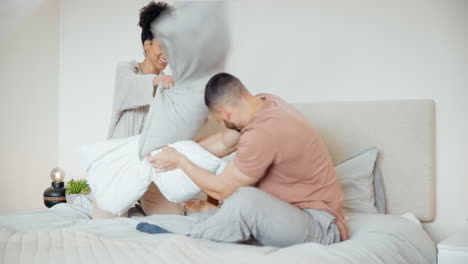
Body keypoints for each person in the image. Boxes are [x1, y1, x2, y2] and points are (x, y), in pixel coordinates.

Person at [147, 73, 349, 247]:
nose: (223, 125)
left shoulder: (263, 132)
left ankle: (191, 239)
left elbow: (222, 189)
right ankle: (218, 218)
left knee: (244, 200)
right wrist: (180, 150)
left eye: (220, 121)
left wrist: (180, 160)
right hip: (293, 214)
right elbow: (224, 141)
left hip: (322, 228)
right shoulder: (266, 103)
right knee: (236, 200)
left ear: (224, 113)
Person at [93, 1, 184, 219]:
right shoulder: (126, 70)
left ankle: (143, 202)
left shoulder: (169, 85)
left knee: (175, 218)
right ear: (147, 44)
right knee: (106, 223)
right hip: (118, 169)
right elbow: (132, 86)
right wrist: (157, 81)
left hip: (152, 170)